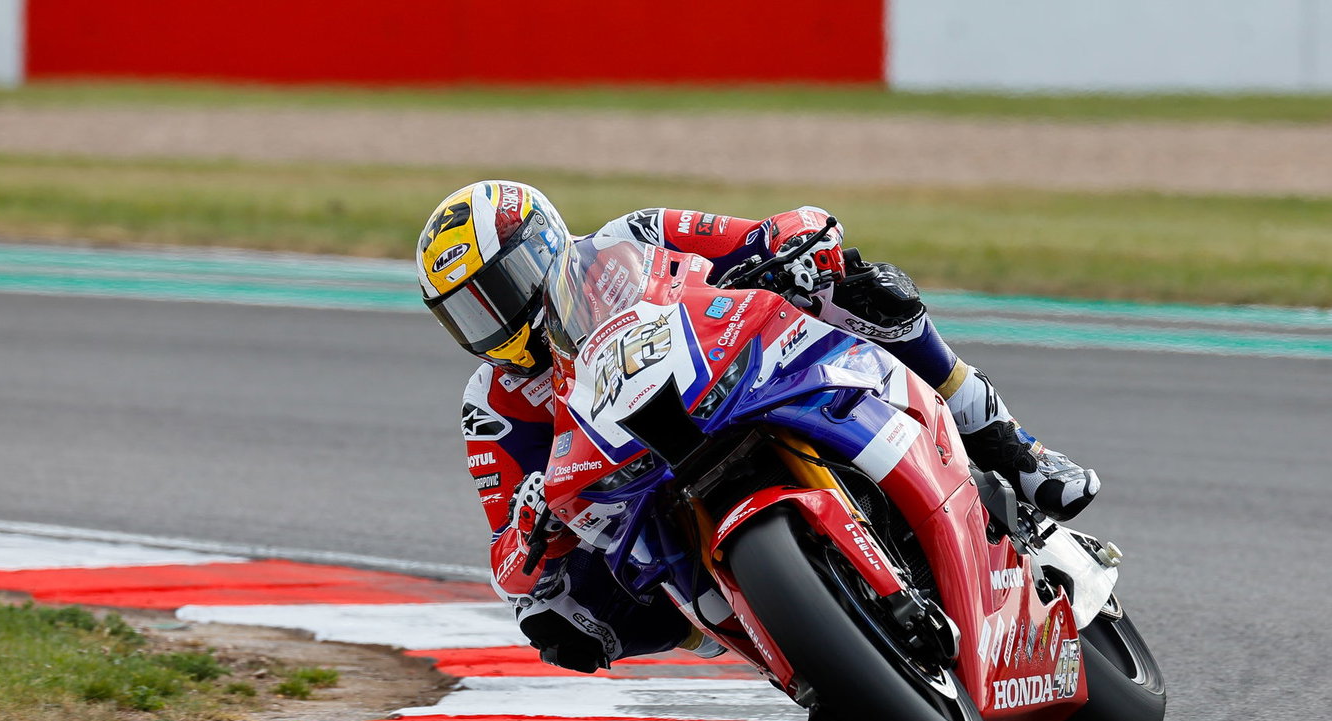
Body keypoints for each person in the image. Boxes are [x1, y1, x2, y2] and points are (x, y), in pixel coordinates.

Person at [417, 180, 1099, 673]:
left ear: (542, 249)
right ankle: (779, 643)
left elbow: (754, 236)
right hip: (639, 487)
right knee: (552, 618)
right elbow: (509, 564)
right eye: (470, 318)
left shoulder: (632, 238)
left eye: (500, 294)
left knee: (862, 287)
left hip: (729, 375)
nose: (499, 327)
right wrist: (530, 528)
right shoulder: (493, 405)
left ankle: (1013, 449)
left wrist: (794, 242)